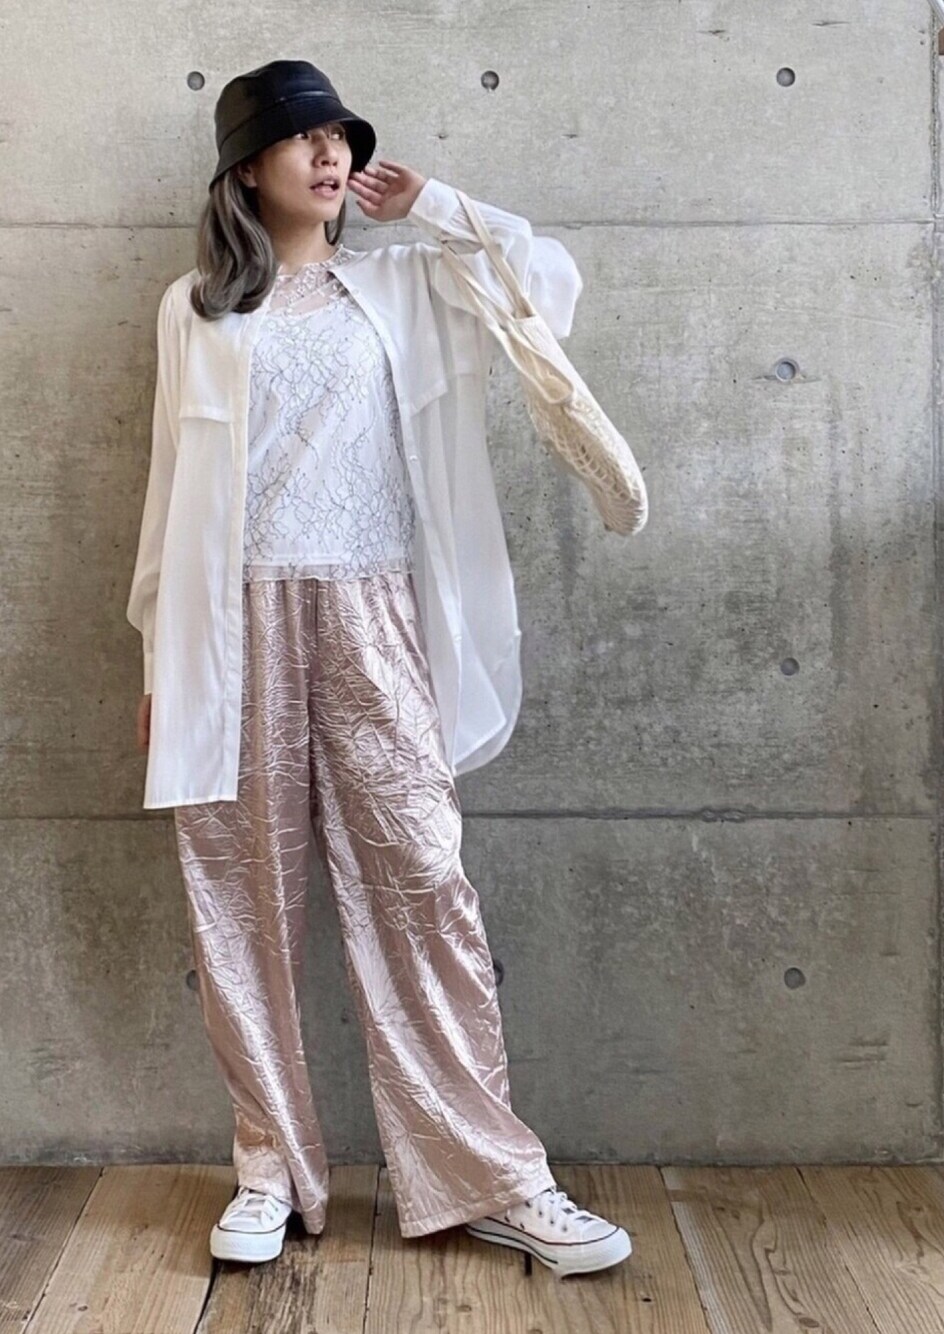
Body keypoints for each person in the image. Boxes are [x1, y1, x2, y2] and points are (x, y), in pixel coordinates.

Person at [126, 59, 632, 1278]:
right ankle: (268, 1168)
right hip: (231, 629)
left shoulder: (406, 282)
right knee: (239, 896)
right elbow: (167, 494)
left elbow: (546, 284)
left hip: (376, 610)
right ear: (246, 167)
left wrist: (438, 206)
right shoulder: (194, 307)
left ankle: (495, 1174)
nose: (329, 155)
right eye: (300, 138)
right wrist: (156, 659)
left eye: (340, 137)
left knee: (423, 877)